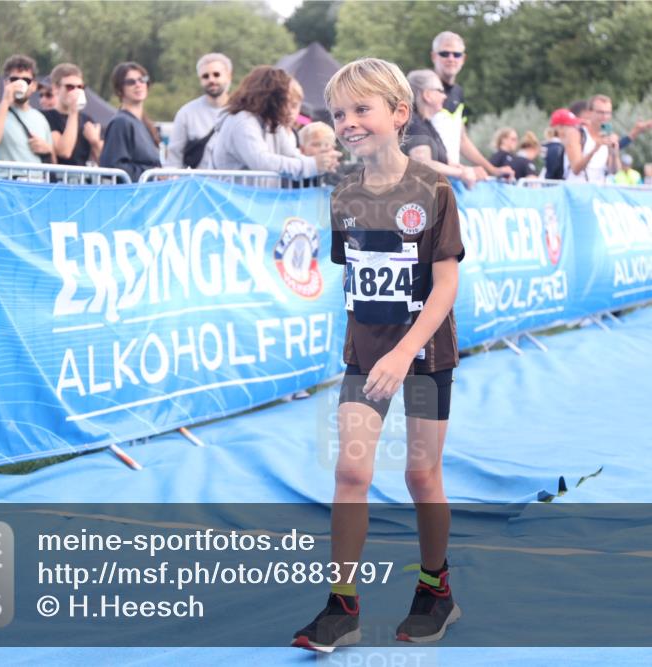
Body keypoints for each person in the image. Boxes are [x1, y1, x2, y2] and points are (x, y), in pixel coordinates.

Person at [292, 57, 464, 651]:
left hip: (424, 357)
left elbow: (445, 285)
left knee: (421, 475)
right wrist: (372, 353)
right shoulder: (343, 194)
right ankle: (341, 607)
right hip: (365, 357)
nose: (348, 122)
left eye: (361, 109)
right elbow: (359, 278)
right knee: (351, 471)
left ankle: (436, 590)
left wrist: (405, 352)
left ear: (398, 113)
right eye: (339, 113)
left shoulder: (433, 190)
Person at [203, 66, 339, 181]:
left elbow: (291, 155)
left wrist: (324, 162)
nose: (287, 108)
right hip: (230, 200)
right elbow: (261, 162)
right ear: (271, 98)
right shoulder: (242, 121)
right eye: (284, 100)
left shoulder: (271, 122)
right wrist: (313, 165)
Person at [429, 31, 513, 181]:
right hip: (424, 180)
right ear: (434, 56)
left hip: (449, 180)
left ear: (463, 59)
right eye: (444, 53)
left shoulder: (458, 92)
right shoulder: (422, 90)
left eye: (456, 54)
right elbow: (415, 145)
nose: (451, 59)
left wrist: (492, 170)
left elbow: (462, 139)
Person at [0, 54, 55, 179]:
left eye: (26, 80)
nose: (19, 84)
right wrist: (5, 101)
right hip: (6, 183)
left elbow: (54, 162)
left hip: (36, 184)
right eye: (14, 80)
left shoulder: (40, 118)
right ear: (6, 83)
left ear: (34, 86)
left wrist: (47, 149)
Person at [404, 69, 477, 188]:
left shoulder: (425, 124)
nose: (445, 96)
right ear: (427, 95)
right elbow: (422, 164)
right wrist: (461, 173)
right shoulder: (414, 124)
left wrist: (465, 170)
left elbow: (444, 162)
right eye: (440, 91)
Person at [165, 53, 232, 169]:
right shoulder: (186, 113)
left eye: (216, 74)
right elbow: (174, 156)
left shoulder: (241, 112)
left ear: (229, 76)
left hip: (231, 179)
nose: (211, 80)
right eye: (205, 76)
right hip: (197, 179)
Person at [100, 62, 162, 182]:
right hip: (132, 192)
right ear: (120, 89)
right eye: (130, 82)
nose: (138, 85)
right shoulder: (120, 123)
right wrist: (152, 175)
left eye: (142, 80)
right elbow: (114, 168)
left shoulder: (145, 123)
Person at [43, 63, 103, 169]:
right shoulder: (47, 116)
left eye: (80, 87)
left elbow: (104, 160)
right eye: (70, 87)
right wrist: (74, 111)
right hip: (58, 177)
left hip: (83, 177)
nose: (76, 91)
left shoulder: (87, 120)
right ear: (55, 88)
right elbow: (64, 152)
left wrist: (95, 142)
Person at [539, 108, 582, 180]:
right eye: (571, 126)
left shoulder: (552, 145)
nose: (575, 129)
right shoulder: (556, 148)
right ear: (560, 128)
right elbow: (553, 174)